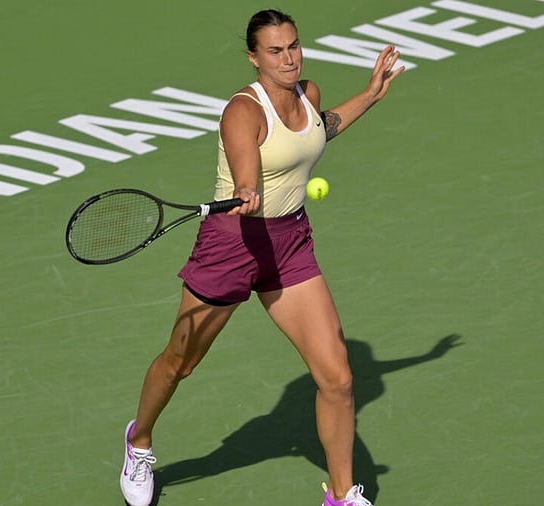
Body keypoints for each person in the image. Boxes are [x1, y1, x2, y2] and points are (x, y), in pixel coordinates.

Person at [120, 9, 403, 506]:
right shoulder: (242, 112)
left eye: (293, 46)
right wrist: (247, 190)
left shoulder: (307, 94)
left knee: (337, 379)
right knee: (178, 364)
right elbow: (245, 167)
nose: (289, 58)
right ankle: (139, 441)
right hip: (231, 247)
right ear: (254, 58)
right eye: (275, 51)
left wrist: (372, 93)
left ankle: (341, 496)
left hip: (289, 246)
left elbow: (320, 128)